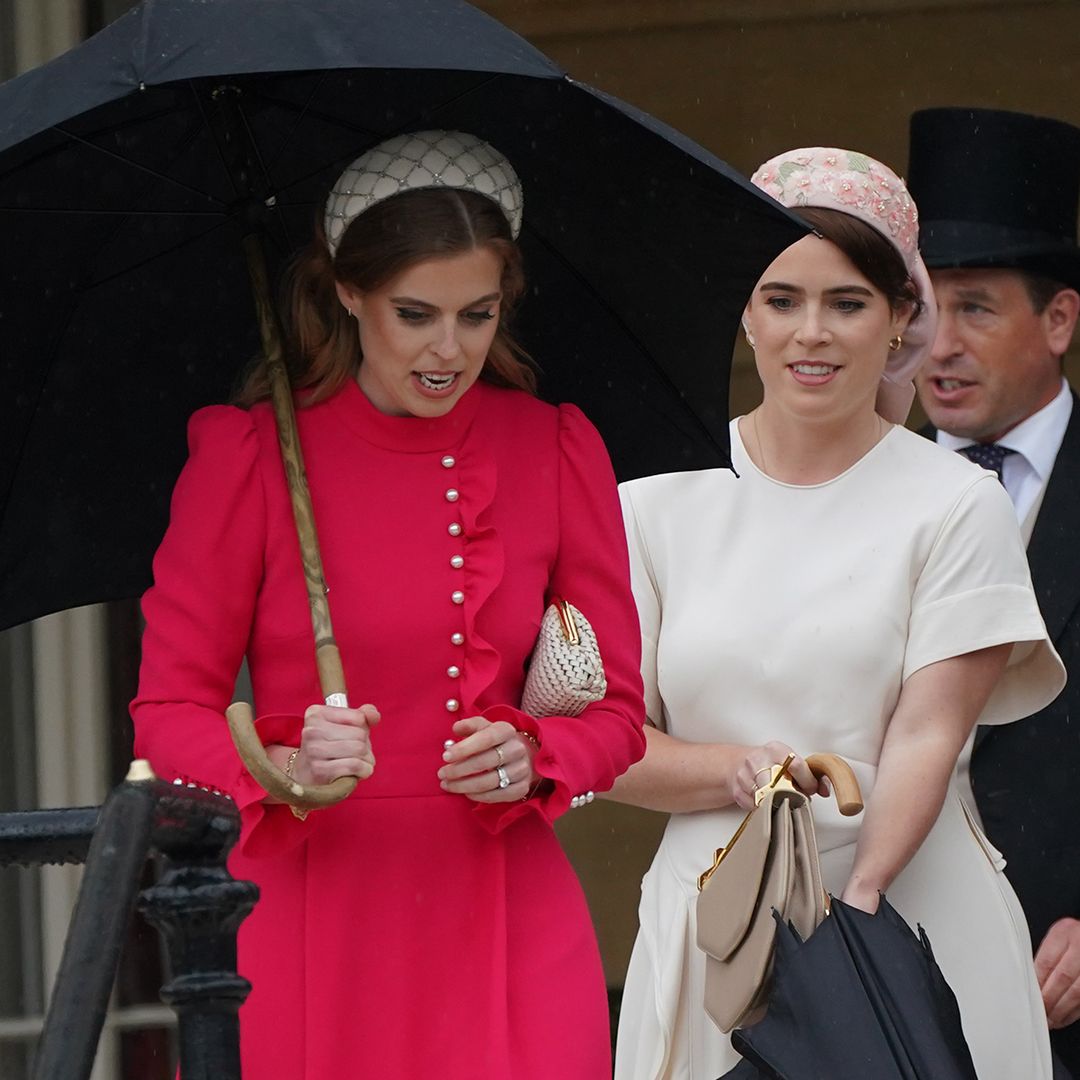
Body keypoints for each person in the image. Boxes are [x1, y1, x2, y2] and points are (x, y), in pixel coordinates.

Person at [131, 130, 646, 1079]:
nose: (449, 350)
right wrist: (279, 760)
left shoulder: (555, 447)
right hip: (310, 915)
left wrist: (536, 753)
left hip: (507, 913)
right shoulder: (247, 461)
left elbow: (618, 714)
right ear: (347, 291)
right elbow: (166, 715)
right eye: (415, 314)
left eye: (478, 315)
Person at [608, 146, 1065, 1080]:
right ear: (744, 307)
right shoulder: (651, 500)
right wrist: (735, 771)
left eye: (847, 303)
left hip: (905, 911)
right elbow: (606, 740)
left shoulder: (955, 502)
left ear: (901, 319)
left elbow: (928, 734)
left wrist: (850, 927)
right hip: (716, 923)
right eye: (782, 299)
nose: (810, 332)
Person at [909, 106, 1080, 1078]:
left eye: (974, 308)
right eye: (924, 311)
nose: (939, 346)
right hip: (889, 988)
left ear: (1058, 320)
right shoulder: (861, 492)